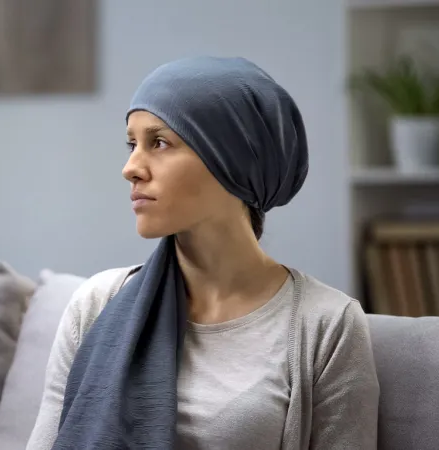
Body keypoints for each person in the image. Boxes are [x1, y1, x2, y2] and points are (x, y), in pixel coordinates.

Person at [27, 56, 379, 450]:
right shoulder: (97, 304)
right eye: (132, 143)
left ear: (232, 160)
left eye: (158, 142)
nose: (131, 167)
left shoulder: (325, 325)